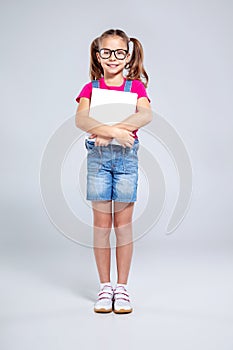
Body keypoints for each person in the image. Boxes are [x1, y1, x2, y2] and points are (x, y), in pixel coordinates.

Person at [75, 29, 152, 314]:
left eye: (119, 52)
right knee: (101, 227)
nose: (113, 58)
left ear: (128, 55)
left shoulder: (135, 88)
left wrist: (109, 131)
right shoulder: (91, 89)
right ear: (98, 55)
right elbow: (81, 119)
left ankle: (122, 288)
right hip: (98, 161)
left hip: (125, 163)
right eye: (106, 52)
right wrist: (112, 133)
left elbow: (145, 115)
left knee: (123, 227)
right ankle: (104, 286)